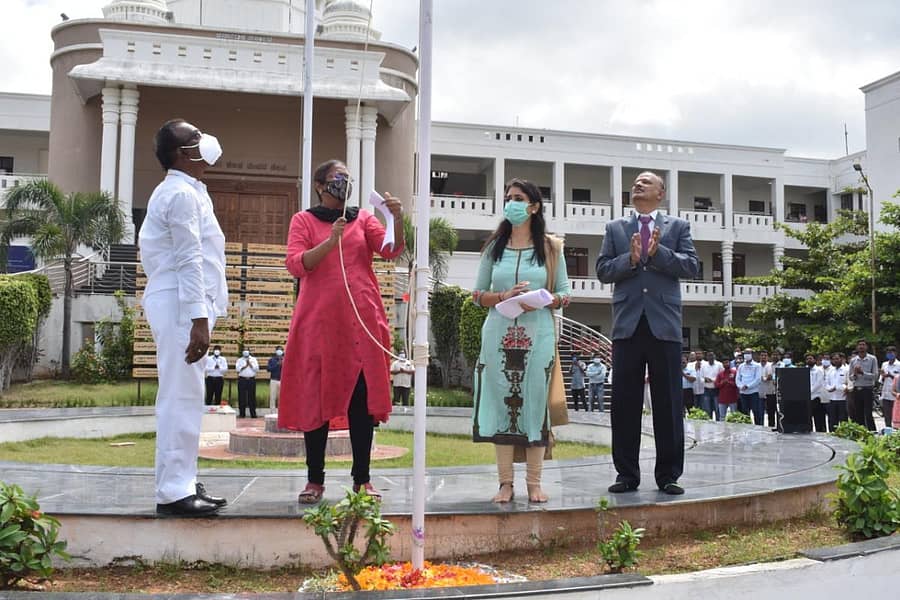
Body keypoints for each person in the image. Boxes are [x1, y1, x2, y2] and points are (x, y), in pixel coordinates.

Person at [278, 159, 404, 504]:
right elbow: (295, 263)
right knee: (316, 402)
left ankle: (362, 479)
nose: (343, 183)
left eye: (347, 178)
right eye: (337, 178)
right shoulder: (303, 220)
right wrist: (330, 241)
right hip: (318, 325)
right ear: (320, 185)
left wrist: (396, 219)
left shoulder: (362, 218)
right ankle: (314, 480)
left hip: (361, 323)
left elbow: (391, 250)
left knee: (361, 404)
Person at [139, 119, 228, 516]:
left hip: (182, 302)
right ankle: (175, 491)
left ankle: (183, 479)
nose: (203, 141)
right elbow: (189, 258)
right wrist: (199, 319)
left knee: (188, 396)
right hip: (180, 303)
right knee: (180, 397)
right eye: (194, 139)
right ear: (181, 154)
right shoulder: (179, 195)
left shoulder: (188, 191)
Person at [596, 171, 699, 495]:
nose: (637, 185)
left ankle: (668, 474)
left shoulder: (677, 227)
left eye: (646, 182)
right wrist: (632, 258)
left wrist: (657, 255)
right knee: (624, 404)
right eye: (635, 182)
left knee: (668, 403)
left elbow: (691, 267)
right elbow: (602, 270)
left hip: (664, 325)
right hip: (627, 325)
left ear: (661, 193)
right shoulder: (615, 229)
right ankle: (627, 474)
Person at [472, 178, 571, 504]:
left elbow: (564, 294)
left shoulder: (551, 248)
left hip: (538, 335)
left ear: (534, 206)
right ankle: (505, 483)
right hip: (498, 334)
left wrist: (542, 299)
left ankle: (533, 484)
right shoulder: (493, 248)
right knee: (502, 406)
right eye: (508, 198)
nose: (511, 203)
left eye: (518, 198)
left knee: (533, 407)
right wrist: (502, 296)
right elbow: (477, 295)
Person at [848, 339, 878, 431]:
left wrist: (863, 373)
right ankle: (861, 432)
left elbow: (875, 376)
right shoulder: (853, 360)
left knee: (868, 413)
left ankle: (872, 432)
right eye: (859, 345)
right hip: (857, 389)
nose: (861, 346)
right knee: (858, 413)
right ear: (857, 347)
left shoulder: (872, 359)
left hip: (867, 389)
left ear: (866, 347)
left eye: (863, 345)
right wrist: (856, 374)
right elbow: (851, 377)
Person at [736, 349, 763, 425]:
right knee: (745, 413)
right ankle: (747, 429)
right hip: (743, 393)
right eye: (745, 353)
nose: (747, 355)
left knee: (756, 412)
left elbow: (757, 379)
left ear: (752, 354)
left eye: (748, 353)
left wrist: (748, 386)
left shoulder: (757, 366)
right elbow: (737, 378)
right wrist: (740, 386)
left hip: (753, 393)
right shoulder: (741, 366)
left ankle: (758, 428)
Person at [826, 352, 850, 430]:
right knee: (832, 421)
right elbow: (827, 383)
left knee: (843, 421)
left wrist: (844, 388)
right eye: (833, 359)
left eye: (837, 359)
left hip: (843, 399)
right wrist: (830, 388)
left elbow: (850, 383)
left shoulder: (846, 370)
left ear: (841, 359)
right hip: (832, 399)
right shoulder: (830, 371)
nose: (835, 361)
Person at [879, 345, 900, 431]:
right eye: (888, 353)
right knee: (887, 416)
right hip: (886, 393)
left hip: (896, 395)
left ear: (895, 353)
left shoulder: (899, 365)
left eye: (891, 353)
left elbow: (898, 379)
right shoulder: (884, 364)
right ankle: (888, 433)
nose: (890, 354)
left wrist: (890, 375)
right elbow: (881, 380)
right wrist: (883, 376)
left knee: (896, 416)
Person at [235, 349, 260, 418]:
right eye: (244, 351)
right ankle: (242, 414)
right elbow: (237, 369)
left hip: (251, 380)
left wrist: (250, 365)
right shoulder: (239, 360)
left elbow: (257, 369)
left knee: (252, 397)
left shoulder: (253, 359)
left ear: (249, 352)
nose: (245, 352)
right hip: (242, 379)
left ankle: (253, 414)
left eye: (247, 351)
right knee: (241, 397)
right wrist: (245, 366)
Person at [806, 353, 827, 432]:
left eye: (811, 358)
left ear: (814, 360)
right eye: (807, 359)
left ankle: (820, 433)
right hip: (807, 398)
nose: (809, 360)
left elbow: (819, 383)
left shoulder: (819, 370)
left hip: (816, 397)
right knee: (808, 418)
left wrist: (809, 391)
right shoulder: (804, 369)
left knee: (818, 418)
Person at [700, 351, 723, 419]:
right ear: (707, 357)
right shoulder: (703, 365)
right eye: (709, 356)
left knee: (717, 409)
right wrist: (705, 380)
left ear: (714, 356)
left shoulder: (719, 364)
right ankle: (709, 426)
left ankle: (719, 425)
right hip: (707, 389)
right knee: (707, 409)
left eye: (712, 355)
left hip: (716, 390)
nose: (710, 357)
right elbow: (700, 378)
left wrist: (712, 380)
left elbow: (722, 376)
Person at [759, 350, 777, 428]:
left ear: (768, 357)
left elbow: (772, 376)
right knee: (759, 412)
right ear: (759, 356)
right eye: (762, 355)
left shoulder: (771, 365)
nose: (763, 357)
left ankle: (771, 427)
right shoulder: (756, 366)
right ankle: (760, 427)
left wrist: (766, 378)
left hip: (770, 391)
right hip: (759, 392)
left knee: (771, 412)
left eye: (765, 355)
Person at [267, 346, 284, 411]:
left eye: (280, 350)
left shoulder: (285, 359)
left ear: (283, 351)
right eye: (278, 350)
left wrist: (282, 363)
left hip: (282, 381)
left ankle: (281, 412)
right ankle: (272, 412)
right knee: (272, 397)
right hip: (274, 380)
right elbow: (268, 369)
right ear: (276, 351)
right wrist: (277, 364)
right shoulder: (272, 360)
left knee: (282, 398)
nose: (279, 351)